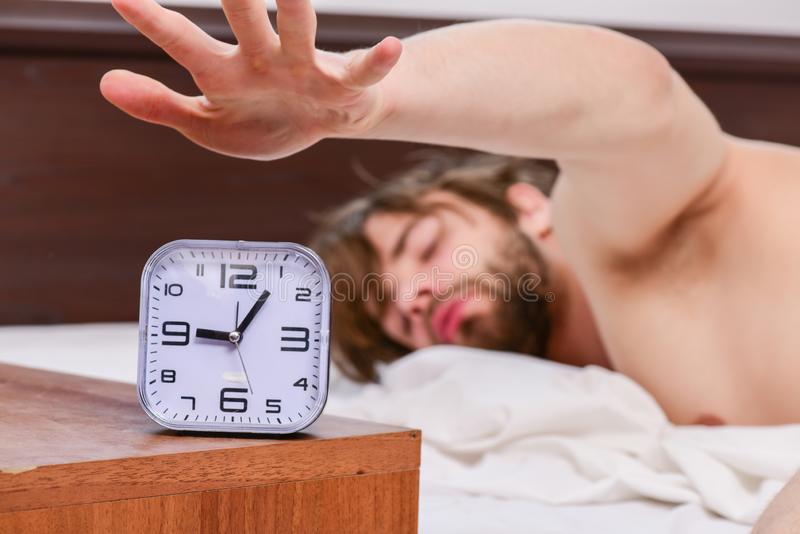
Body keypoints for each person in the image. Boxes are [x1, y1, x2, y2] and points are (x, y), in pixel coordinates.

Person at [99, 0, 800, 427]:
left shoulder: (627, 223)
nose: (411, 297)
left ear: (527, 206)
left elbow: (633, 96)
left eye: (427, 244)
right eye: (394, 318)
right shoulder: (596, 391)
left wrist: (375, 105)